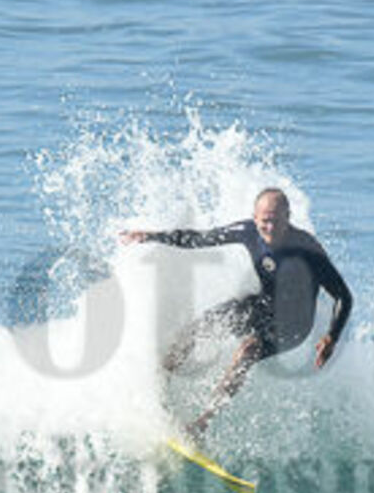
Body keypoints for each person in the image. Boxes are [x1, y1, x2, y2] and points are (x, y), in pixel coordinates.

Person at [121, 187, 351, 439]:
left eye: (277, 221)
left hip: (295, 324)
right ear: (255, 218)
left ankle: (201, 425)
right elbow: (200, 239)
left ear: (288, 218)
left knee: (248, 350)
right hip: (264, 306)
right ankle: (161, 379)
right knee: (203, 324)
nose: (270, 228)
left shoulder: (307, 249)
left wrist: (332, 336)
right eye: (265, 221)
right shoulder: (248, 231)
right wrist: (152, 236)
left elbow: (343, 296)